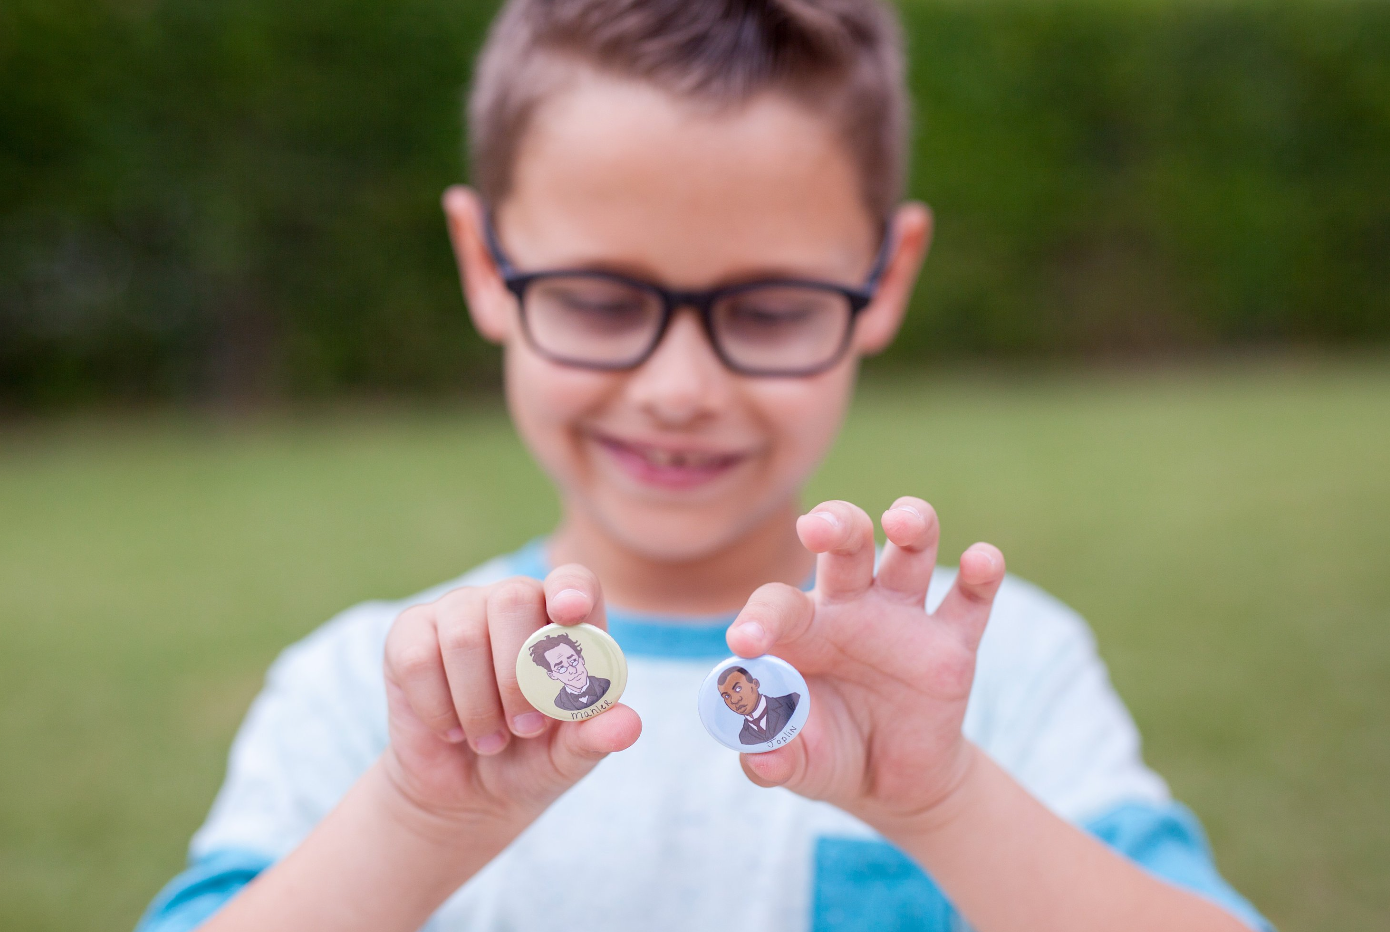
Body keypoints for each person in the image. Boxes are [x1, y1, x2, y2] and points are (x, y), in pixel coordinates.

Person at [136, 1, 1271, 930]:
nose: (680, 385)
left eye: (771, 308)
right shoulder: (370, 698)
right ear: (485, 263)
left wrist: (944, 799)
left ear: (884, 279)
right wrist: (416, 819)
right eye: (597, 297)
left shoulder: (993, 671)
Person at [529, 632, 612, 712]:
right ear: (552, 675)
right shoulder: (558, 703)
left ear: (581, 659)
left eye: (573, 661)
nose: (573, 670)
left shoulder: (606, 684)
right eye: (561, 668)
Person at [718, 665, 799, 746]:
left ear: (755, 684)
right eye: (727, 696)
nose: (734, 700)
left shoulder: (792, 703)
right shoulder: (744, 737)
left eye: (738, 688)